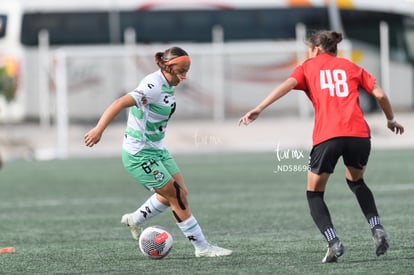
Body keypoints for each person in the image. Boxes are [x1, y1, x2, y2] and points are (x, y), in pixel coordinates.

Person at [239, 30, 404, 263]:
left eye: (308, 48)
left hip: (328, 136)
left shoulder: (308, 66)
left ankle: (333, 241)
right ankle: (376, 227)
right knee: (356, 182)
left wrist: (259, 108)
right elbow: (380, 95)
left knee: (314, 193)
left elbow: (285, 86)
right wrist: (390, 120)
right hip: (358, 134)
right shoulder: (350, 66)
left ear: (316, 49)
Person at [84, 46, 232, 258]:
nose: (184, 76)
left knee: (178, 193)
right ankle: (202, 247)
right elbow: (120, 103)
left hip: (157, 150)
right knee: (177, 196)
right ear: (169, 67)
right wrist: (99, 130)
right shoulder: (152, 86)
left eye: (187, 70)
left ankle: (135, 219)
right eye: (181, 71)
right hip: (139, 154)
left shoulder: (168, 84)